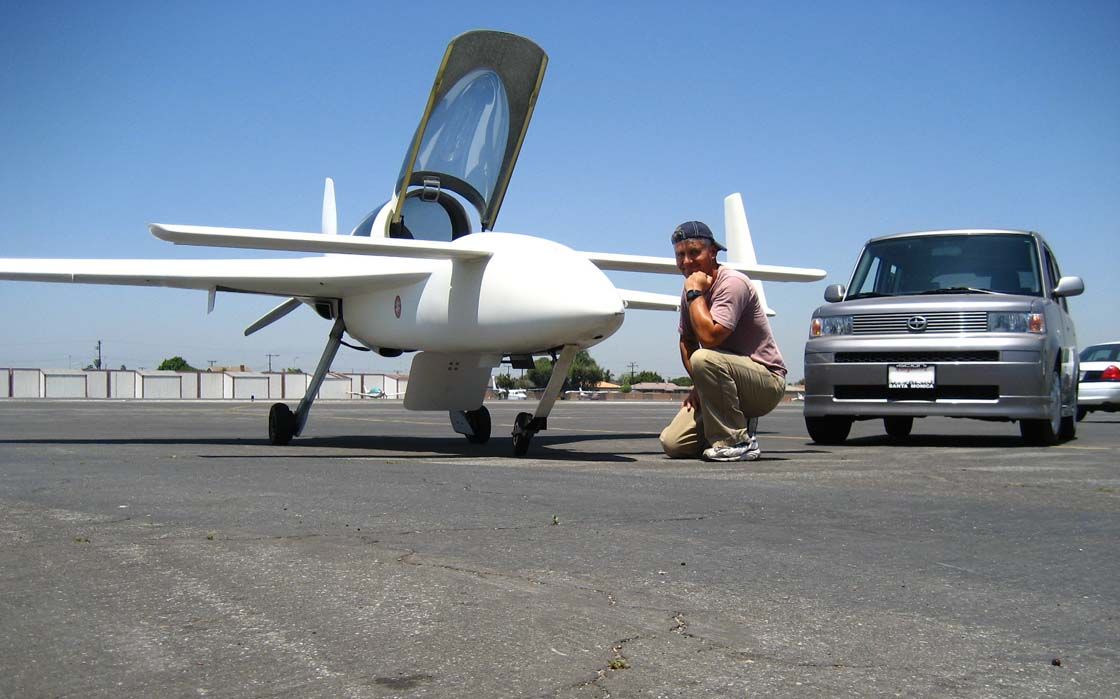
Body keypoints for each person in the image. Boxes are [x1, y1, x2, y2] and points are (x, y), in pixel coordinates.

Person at [659, 221, 787, 461]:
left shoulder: (732, 283)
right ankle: (731, 426)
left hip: (765, 382)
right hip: (721, 377)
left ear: (713, 252)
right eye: (680, 255)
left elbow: (709, 338)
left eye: (694, 252)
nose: (686, 261)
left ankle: (736, 442)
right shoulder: (691, 289)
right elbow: (687, 340)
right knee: (673, 443)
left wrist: (695, 293)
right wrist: (701, 384)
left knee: (703, 358)